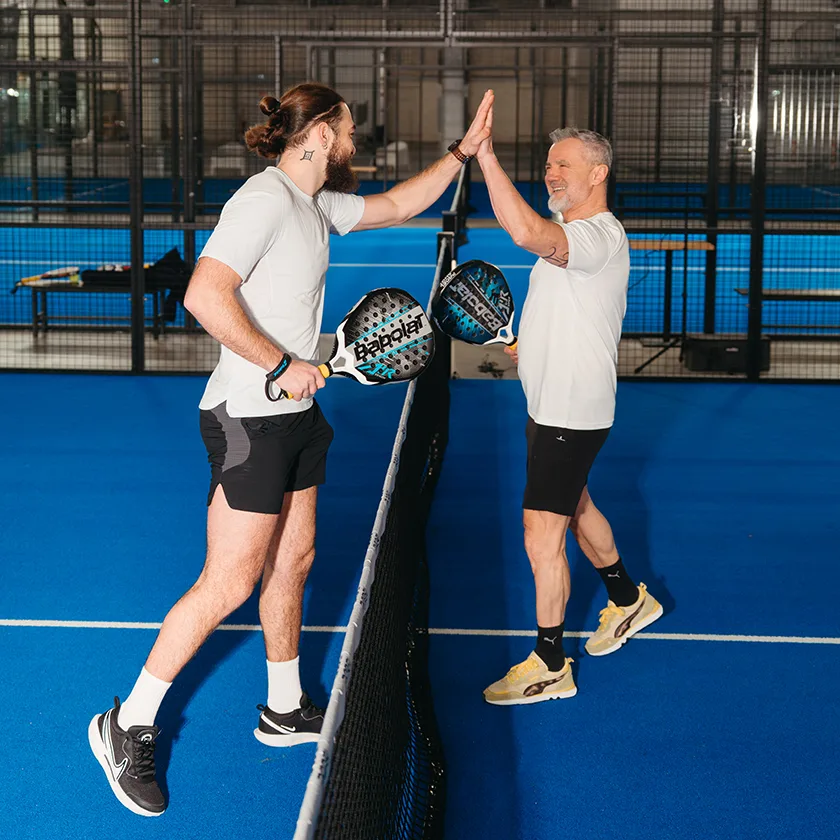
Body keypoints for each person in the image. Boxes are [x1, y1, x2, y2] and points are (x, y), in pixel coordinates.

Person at [88, 81, 494, 816]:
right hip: (249, 416)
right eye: (347, 129)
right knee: (230, 581)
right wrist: (279, 365)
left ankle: (283, 707)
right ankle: (128, 721)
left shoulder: (314, 205)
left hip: (297, 413)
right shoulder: (263, 201)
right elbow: (205, 296)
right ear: (319, 134)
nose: (354, 140)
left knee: (295, 561)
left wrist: (464, 153)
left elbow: (401, 204)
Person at [475, 112, 663, 706]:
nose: (552, 172)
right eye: (550, 163)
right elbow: (563, 320)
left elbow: (526, 233)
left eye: (564, 164)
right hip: (548, 404)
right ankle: (630, 599)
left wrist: (483, 156)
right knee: (577, 506)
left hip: (571, 413)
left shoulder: (598, 236)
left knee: (540, 533)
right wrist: (518, 346)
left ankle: (551, 663)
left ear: (598, 172)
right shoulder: (571, 236)